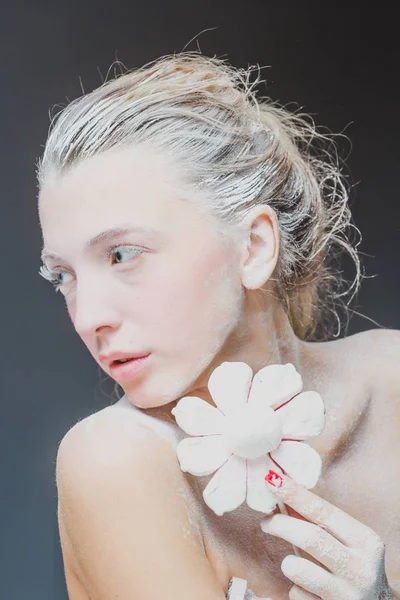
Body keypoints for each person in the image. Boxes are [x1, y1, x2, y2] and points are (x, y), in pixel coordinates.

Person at [37, 51, 400, 599]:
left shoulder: (392, 383)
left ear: (253, 246)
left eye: (121, 255)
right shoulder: (116, 458)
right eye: (62, 275)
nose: (88, 318)